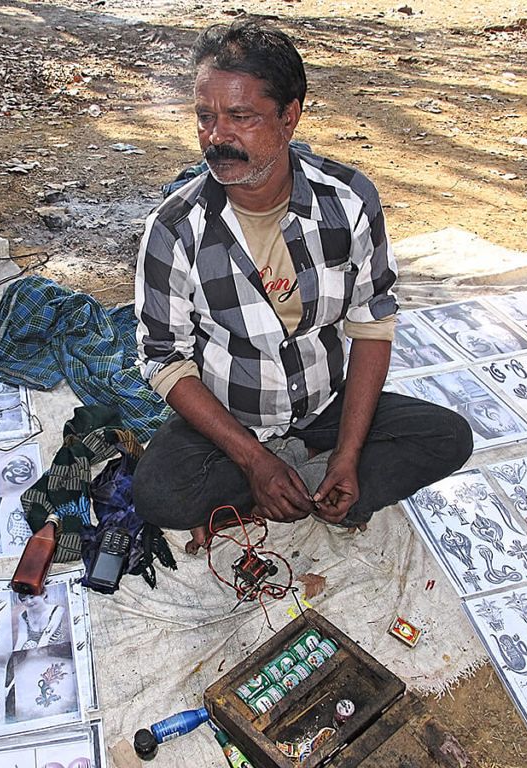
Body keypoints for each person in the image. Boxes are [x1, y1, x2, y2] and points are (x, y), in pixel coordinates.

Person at [133, 20, 474, 551]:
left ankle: (309, 472)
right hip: (232, 418)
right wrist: (254, 459)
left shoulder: (348, 201)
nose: (217, 137)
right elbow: (163, 359)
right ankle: (287, 479)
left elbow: (371, 325)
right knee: (157, 495)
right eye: (205, 117)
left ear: (289, 116)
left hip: (326, 407)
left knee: (448, 437)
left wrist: (348, 452)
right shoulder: (175, 229)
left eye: (241, 117)